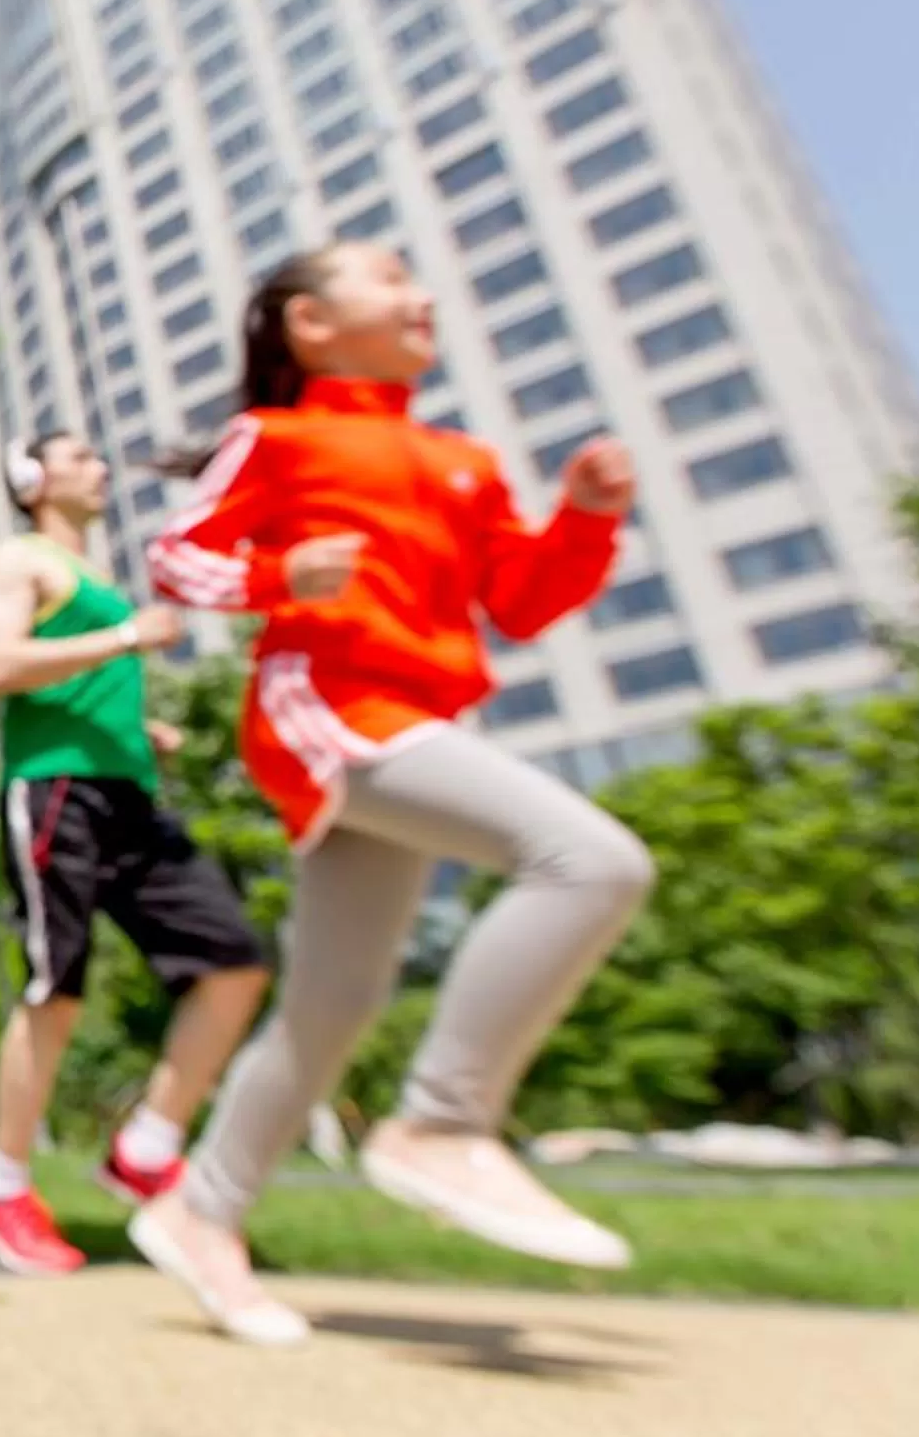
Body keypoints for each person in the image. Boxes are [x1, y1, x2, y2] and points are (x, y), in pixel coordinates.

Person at [129, 241, 653, 1347]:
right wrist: (280, 577)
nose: (420, 293)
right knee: (594, 858)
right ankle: (443, 1122)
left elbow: (517, 598)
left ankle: (203, 1207)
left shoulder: (461, 459)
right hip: (327, 706)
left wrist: (586, 520)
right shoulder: (276, 437)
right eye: (387, 276)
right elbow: (179, 558)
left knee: (334, 1002)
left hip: (419, 719)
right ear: (310, 323)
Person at [0, 432, 272, 1277]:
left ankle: (147, 1143)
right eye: (80, 456)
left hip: (129, 794)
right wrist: (127, 638)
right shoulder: (17, 560)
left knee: (234, 962)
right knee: (54, 989)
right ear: (35, 480)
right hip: (55, 791)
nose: (100, 467)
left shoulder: (95, 577)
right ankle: (1, 1189)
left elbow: (78, 682)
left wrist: (138, 729)